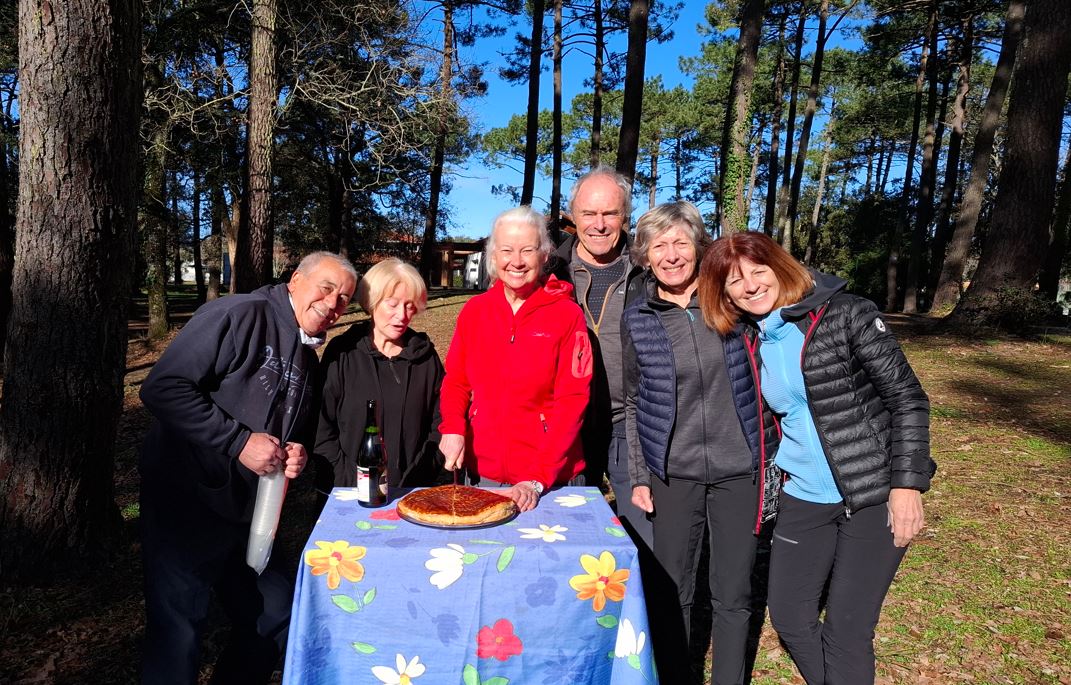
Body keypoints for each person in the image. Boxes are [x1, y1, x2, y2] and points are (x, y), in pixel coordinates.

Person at [697, 231, 935, 685]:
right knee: (789, 616)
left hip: (872, 492)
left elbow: (908, 398)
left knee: (846, 630)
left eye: (758, 272)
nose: (749, 286)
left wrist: (907, 485)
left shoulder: (847, 314)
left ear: (779, 266)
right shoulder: (752, 337)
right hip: (803, 495)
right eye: (733, 282)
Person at [139, 252, 357, 685]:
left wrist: (297, 453)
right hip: (187, 503)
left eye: (344, 300)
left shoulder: (308, 359)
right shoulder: (238, 313)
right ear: (295, 280)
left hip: (248, 517)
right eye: (327, 288)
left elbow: (290, 432)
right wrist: (239, 442)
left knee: (276, 611)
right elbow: (162, 387)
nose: (333, 304)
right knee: (179, 631)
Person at [621, 202, 779, 685]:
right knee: (674, 591)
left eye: (681, 243)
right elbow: (632, 400)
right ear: (645, 257)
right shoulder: (638, 319)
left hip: (740, 471)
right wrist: (641, 474)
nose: (671, 255)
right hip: (673, 473)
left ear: (698, 247)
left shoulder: (732, 303)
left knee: (732, 593)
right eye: (659, 246)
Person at [438, 206, 592, 512]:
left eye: (527, 250)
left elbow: (572, 400)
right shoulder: (475, 313)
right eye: (506, 250)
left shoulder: (567, 316)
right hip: (485, 473)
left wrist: (537, 478)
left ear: (545, 255)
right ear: (493, 256)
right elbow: (456, 381)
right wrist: (453, 427)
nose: (517, 261)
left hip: (551, 479)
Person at [547, 165, 651, 548]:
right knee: (570, 537)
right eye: (589, 214)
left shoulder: (649, 271)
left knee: (642, 536)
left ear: (626, 216)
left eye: (610, 213)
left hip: (632, 422)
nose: (599, 224)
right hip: (566, 423)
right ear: (573, 216)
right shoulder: (548, 271)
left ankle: (644, 608)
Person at [314, 257, 446, 492]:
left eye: (409, 305)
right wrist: (350, 482)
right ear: (373, 303)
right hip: (345, 492)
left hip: (410, 492)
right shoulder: (343, 353)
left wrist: (419, 476)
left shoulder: (425, 358)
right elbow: (321, 426)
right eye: (392, 304)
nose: (402, 315)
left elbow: (441, 424)